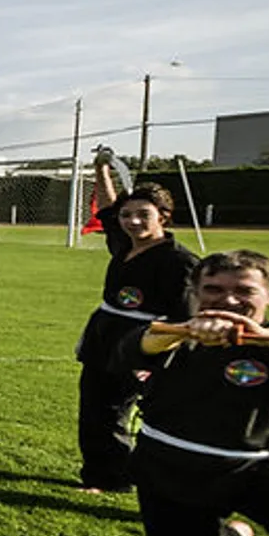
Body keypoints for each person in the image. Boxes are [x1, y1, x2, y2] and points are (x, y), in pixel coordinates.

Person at [123, 250, 269, 536]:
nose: (228, 300)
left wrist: (260, 337)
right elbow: (133, 348)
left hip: (253, 468)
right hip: (170, 467)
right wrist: (186, 330)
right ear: (194, 291)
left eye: (244, 290)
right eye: (213, 289)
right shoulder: (173, 336)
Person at [75, 151, 199, 493]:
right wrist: (101, 169)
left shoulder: (178, 262)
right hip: (103, 341)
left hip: (141, 346)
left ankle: (114, 479)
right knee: (93, 410)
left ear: (164, 217)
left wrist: (154, 359)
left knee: (116, 413)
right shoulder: (124, 244)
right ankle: (97, 473)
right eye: (128, 216)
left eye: (143, 215)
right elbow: (108, 207)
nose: (133, 222)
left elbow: (185, 317)